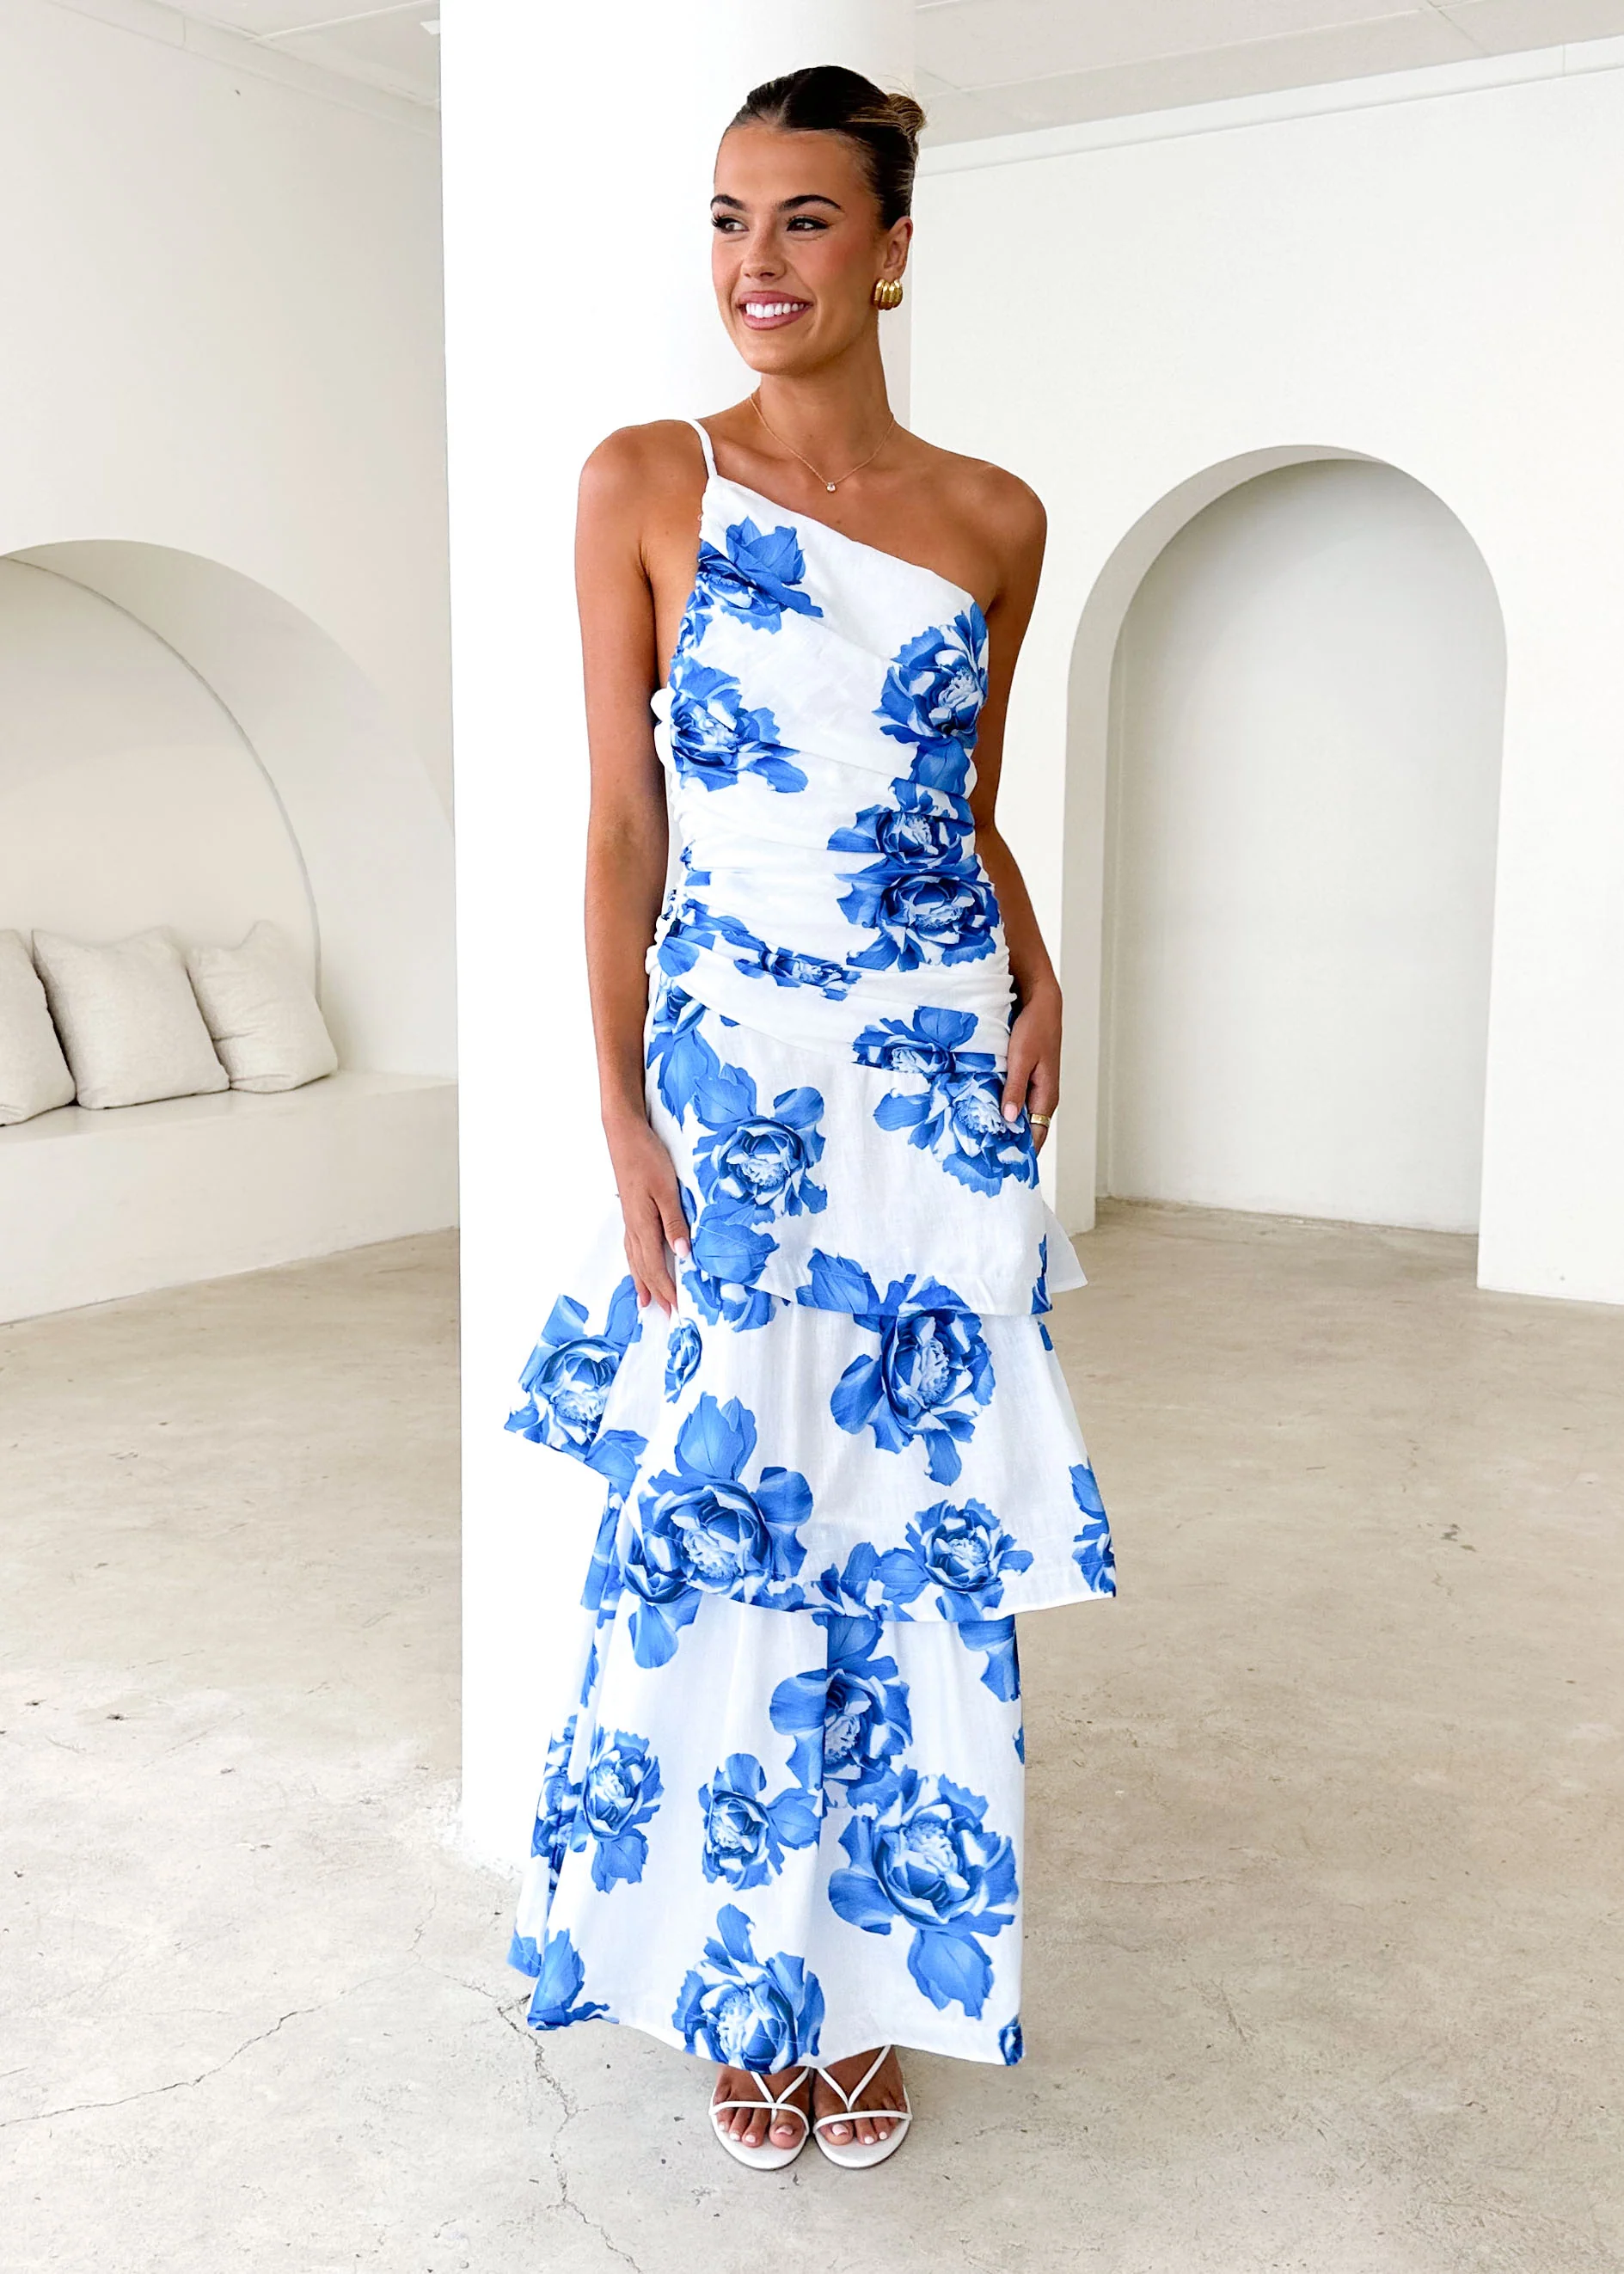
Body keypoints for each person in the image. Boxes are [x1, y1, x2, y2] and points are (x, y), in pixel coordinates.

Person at [503, 64, 1116, 2173]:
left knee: (910, 1537)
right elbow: (622, 820)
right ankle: (738, 1979)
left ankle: (871, 1990)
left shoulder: (993, 518)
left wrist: (1035, 960)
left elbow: (956, 804)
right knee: (726, 1528)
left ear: (892, 247)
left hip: (937, 1069)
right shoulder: (643, 478)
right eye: (726, 219)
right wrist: (620, 1113)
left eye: (801, 219)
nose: (753, 263)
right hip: (739, 1078)